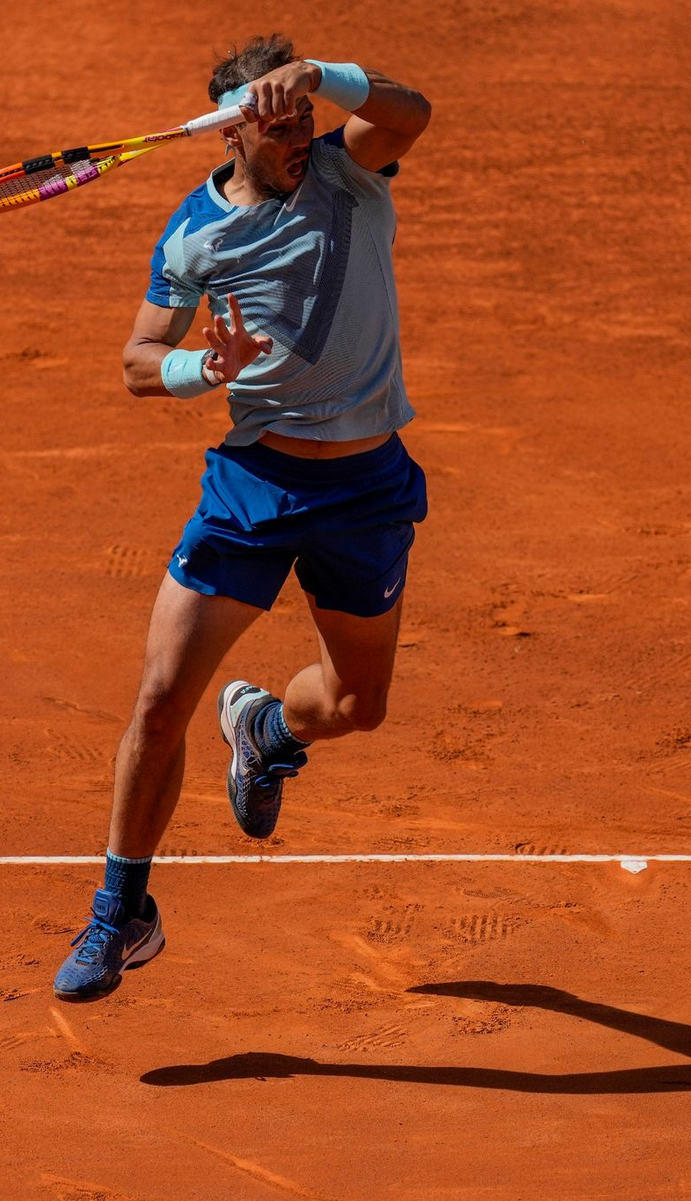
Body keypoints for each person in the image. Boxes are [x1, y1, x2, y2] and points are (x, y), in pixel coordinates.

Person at [53, 35, 431, 1001]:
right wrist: (199, 369)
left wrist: (322, 78)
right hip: (253, 487)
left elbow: (410, 110)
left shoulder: (353, 168)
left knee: (357, 706)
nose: (301, 135)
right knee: (160, 699)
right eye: (280, 124)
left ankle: (265, 728)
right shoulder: (193, 236)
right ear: (231, 136)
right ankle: (120, 911)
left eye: (305, 117)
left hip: (367, 486)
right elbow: (140, 358)